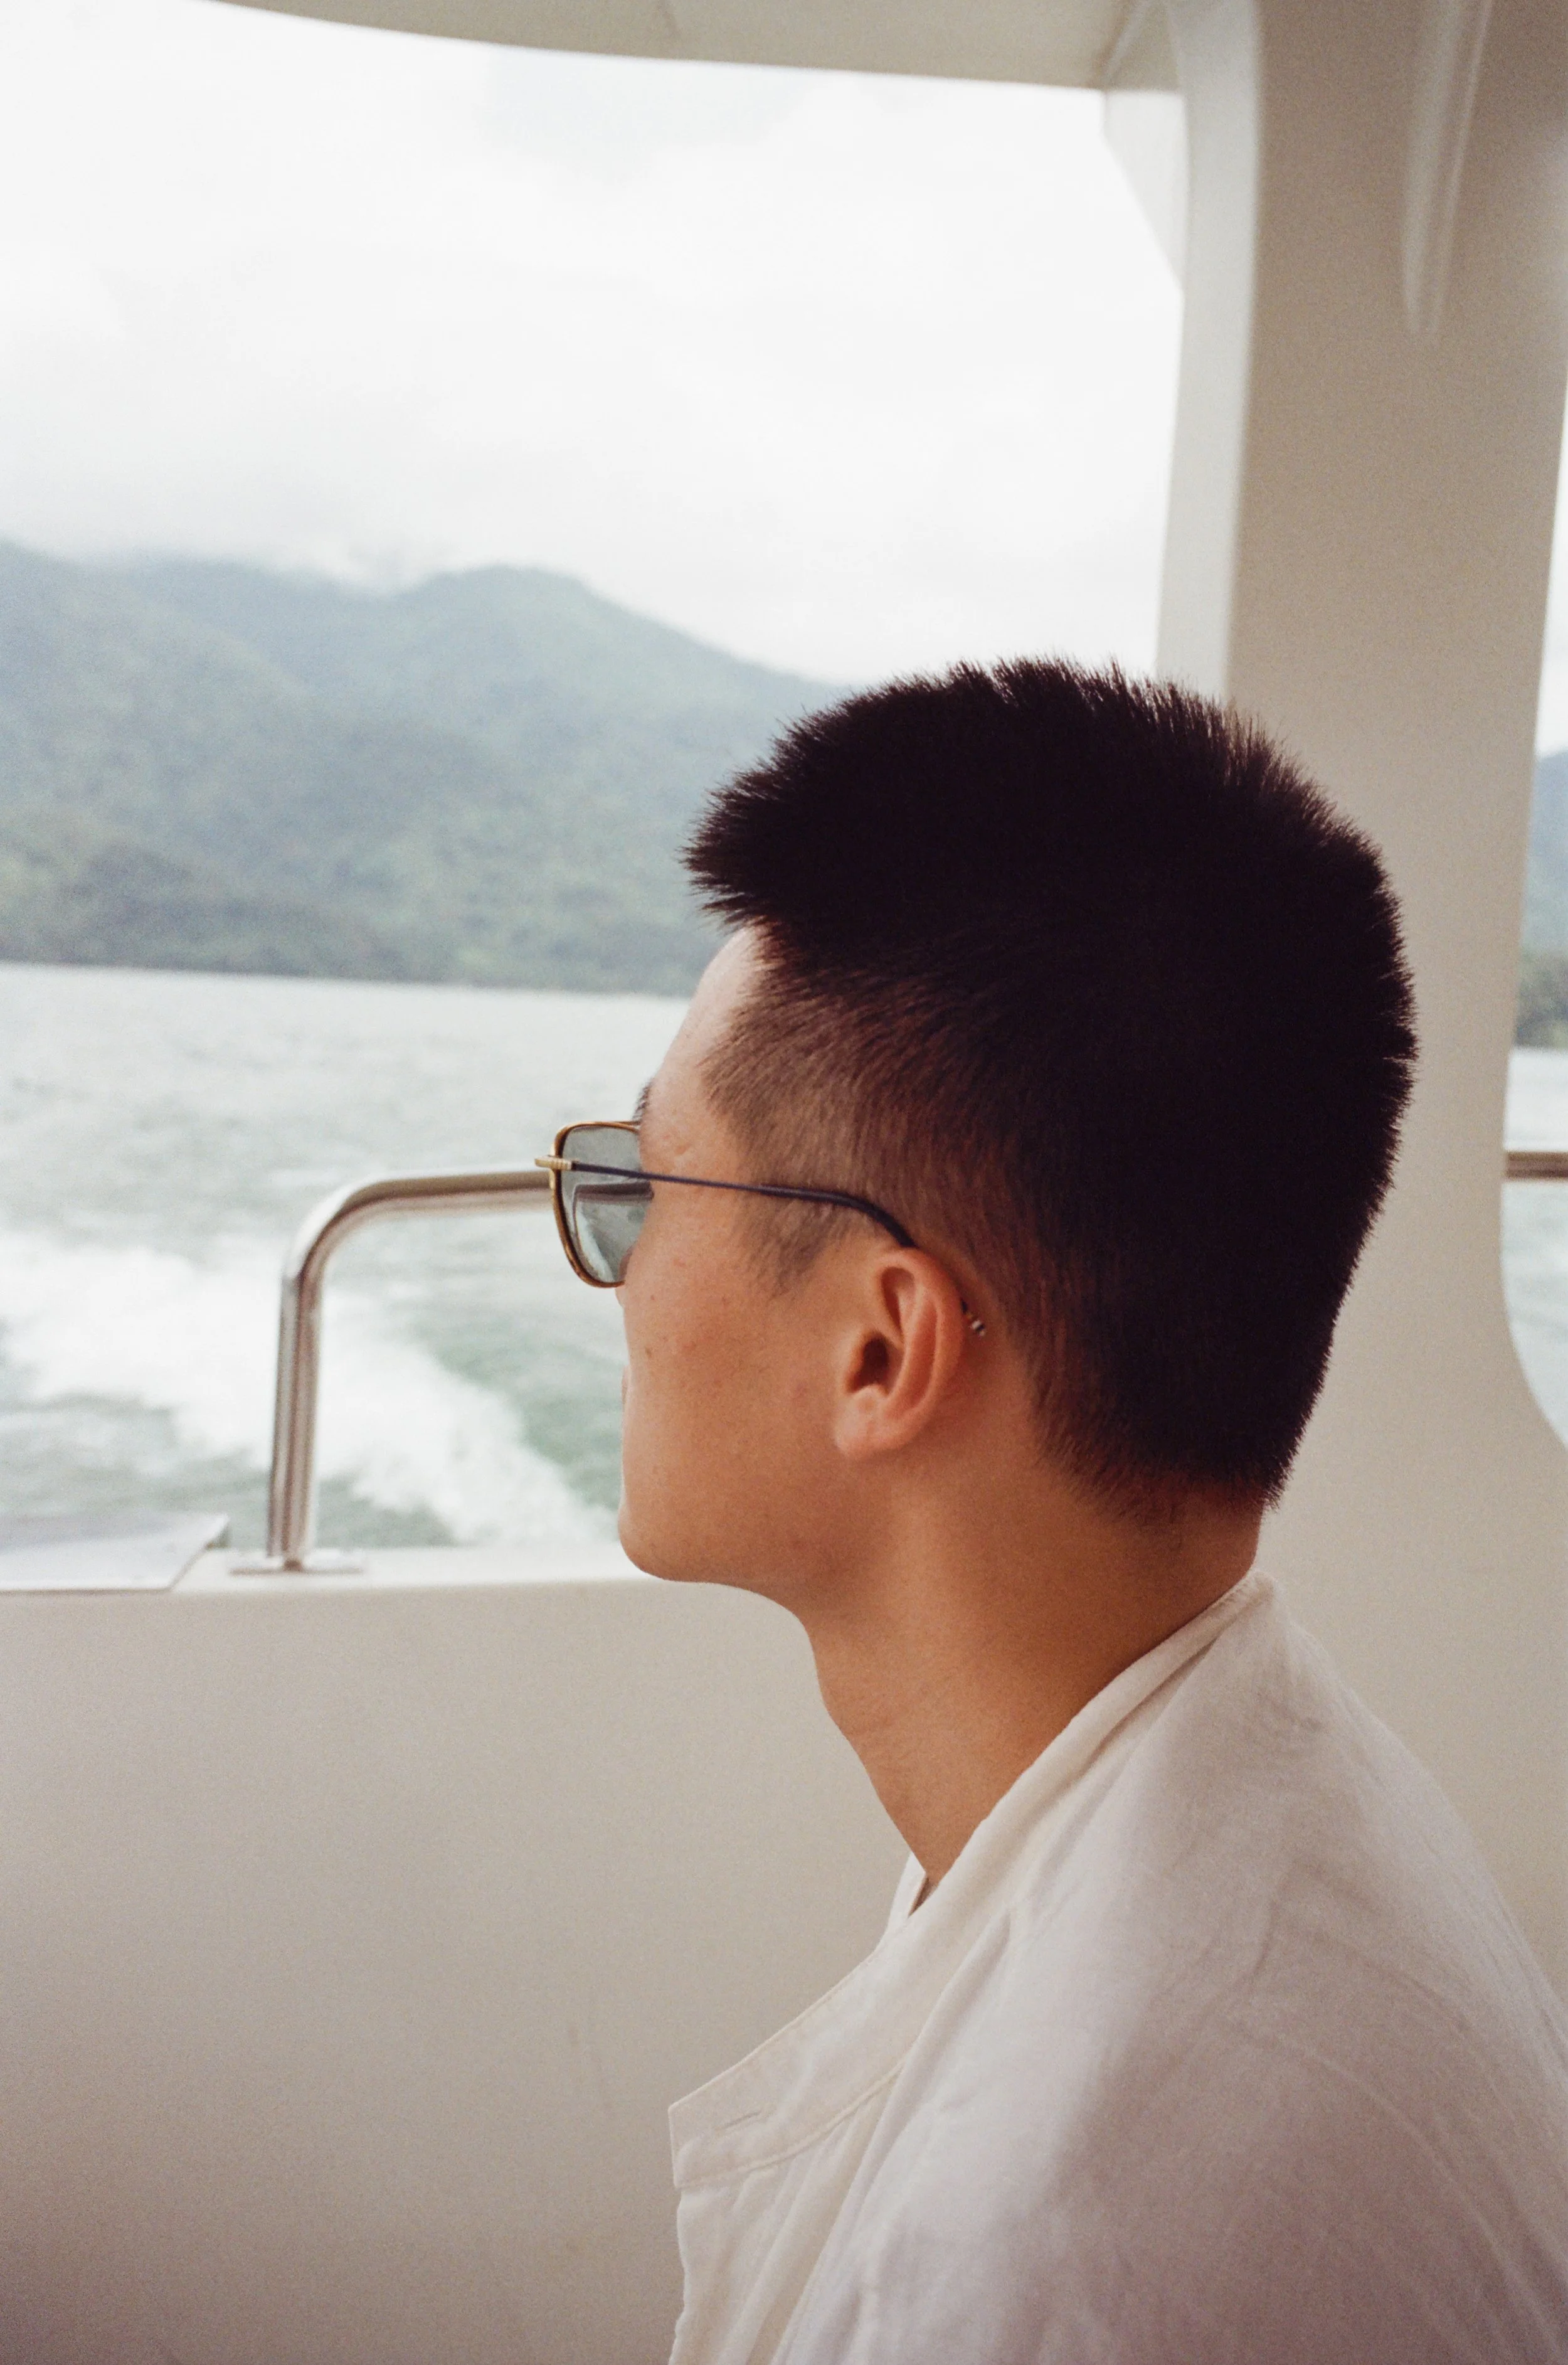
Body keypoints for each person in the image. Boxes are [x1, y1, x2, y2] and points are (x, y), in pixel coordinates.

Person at [539, 659, 1568, 2363]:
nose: (618, 1266)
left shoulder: (1058, 2253)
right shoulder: (1263, 1794)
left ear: (882, 1347)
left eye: (647, 1184)